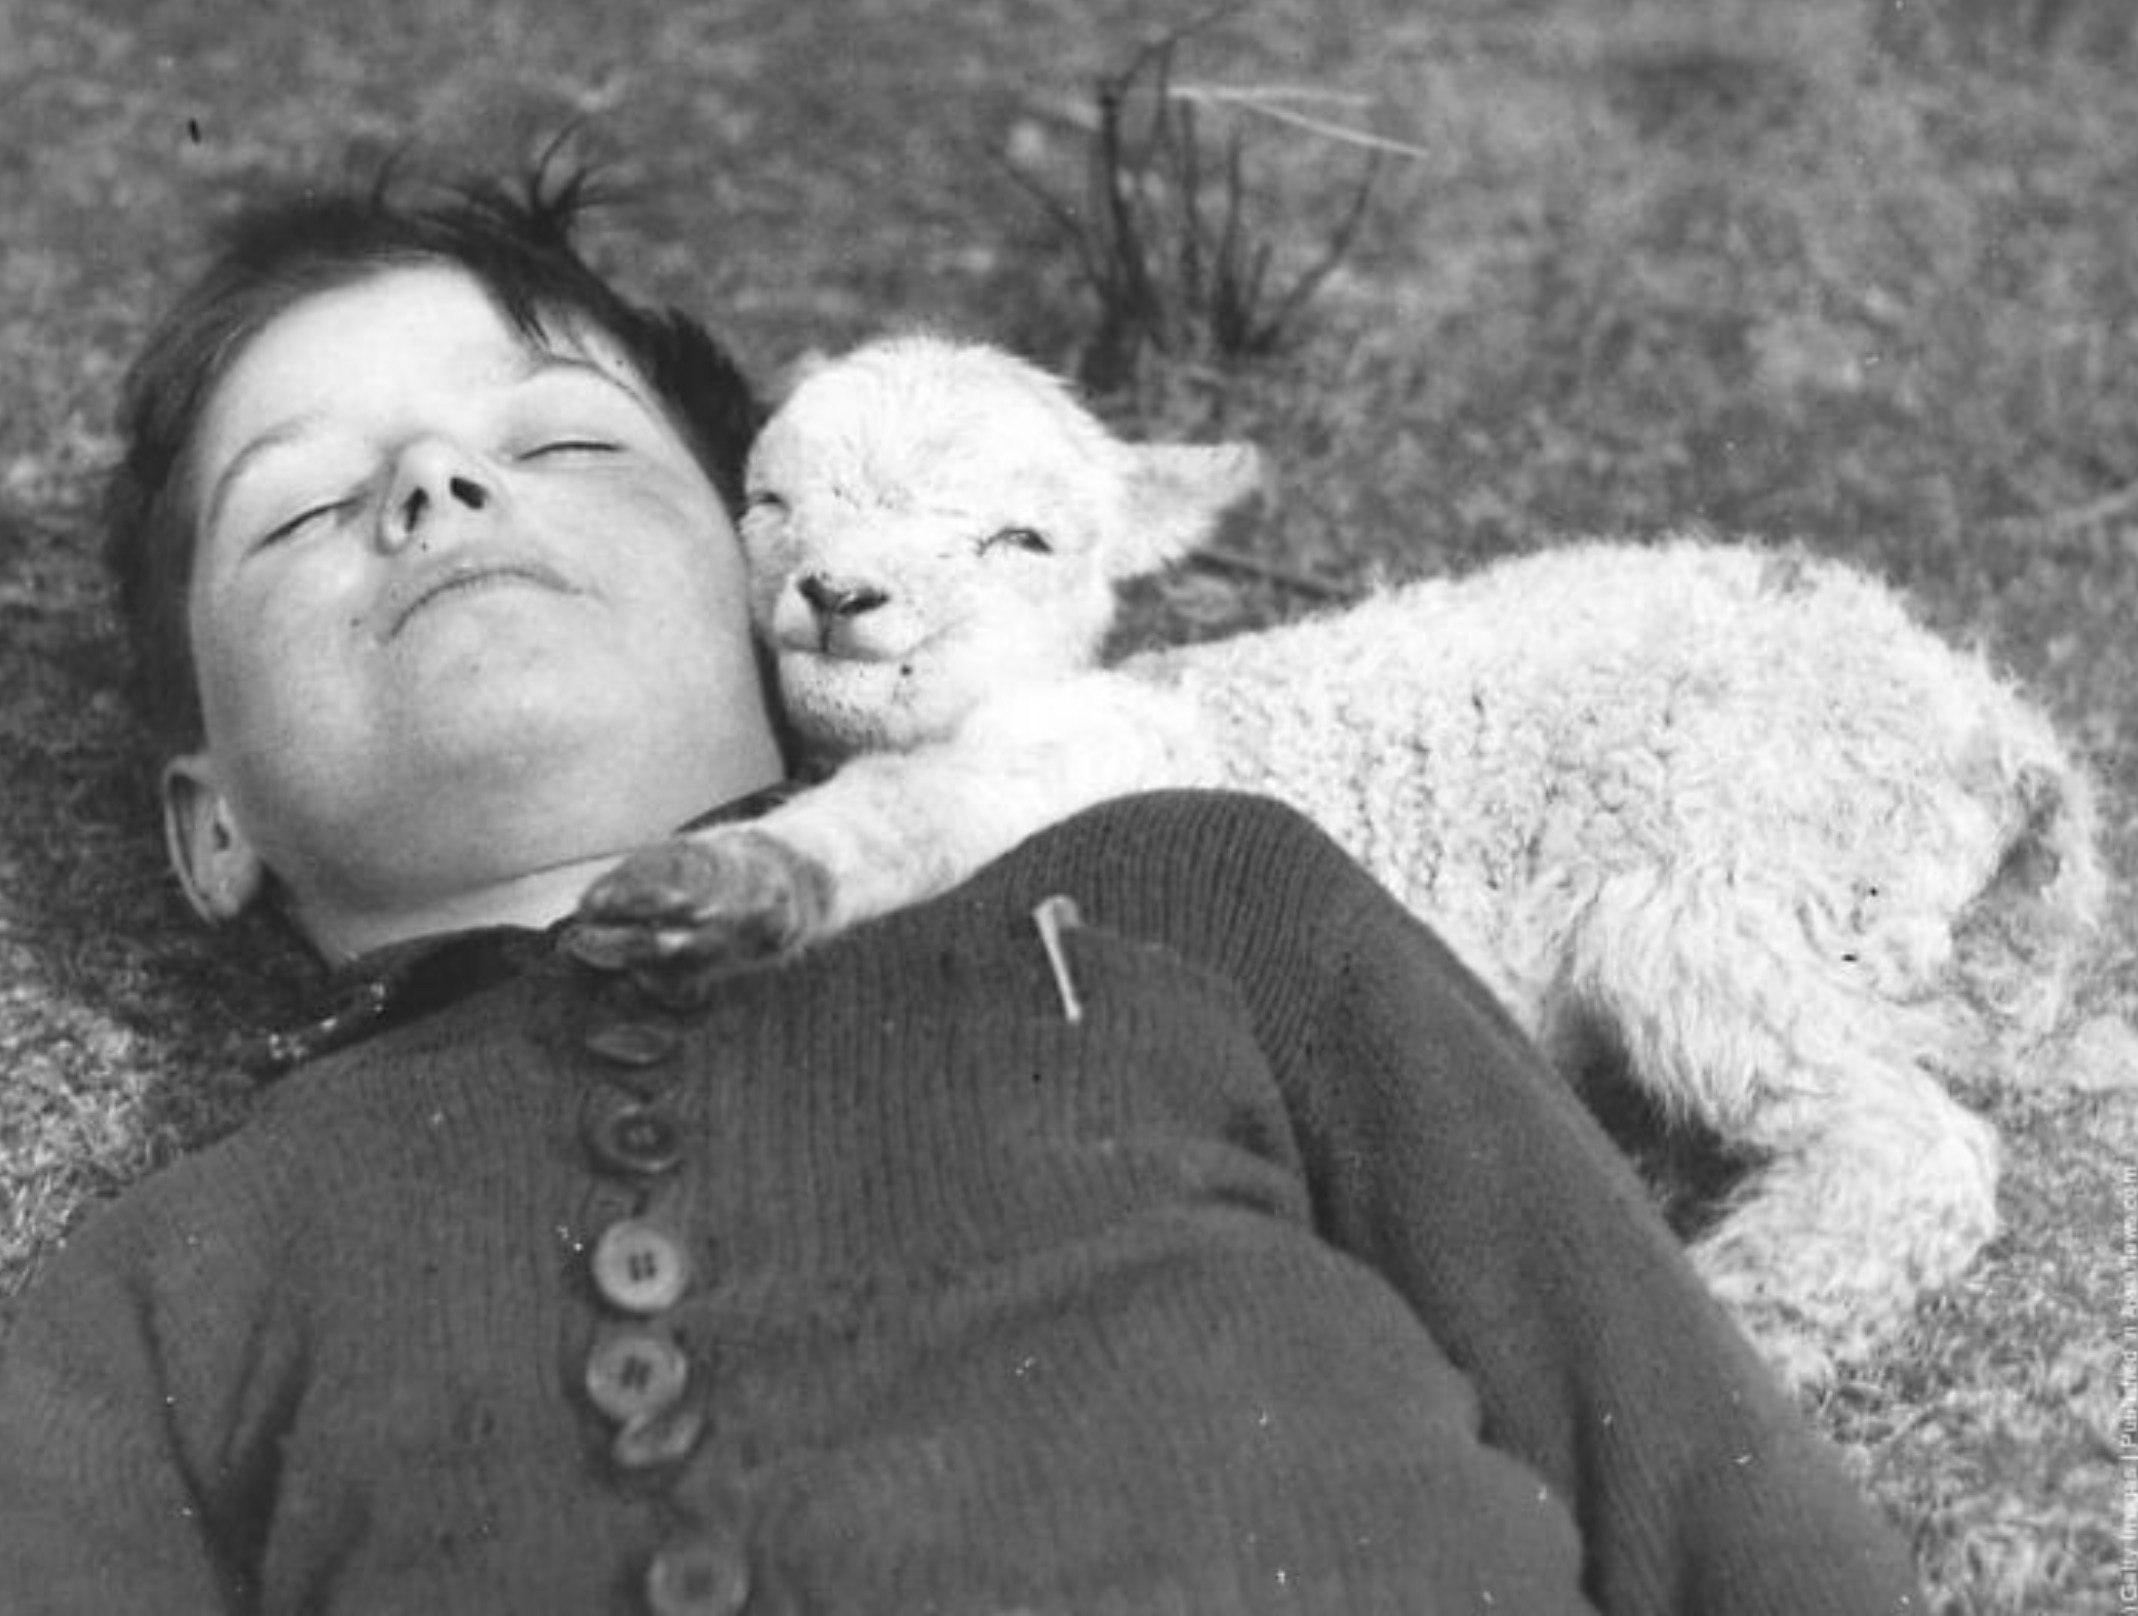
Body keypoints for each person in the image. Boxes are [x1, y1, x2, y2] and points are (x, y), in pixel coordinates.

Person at [0, 162, 1925, 1615]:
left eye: (562, 440)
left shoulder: (1200, 887)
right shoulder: (168, 1286)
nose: (435, 481)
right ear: (207, 821)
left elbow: (1710, 1493)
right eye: (300, 506)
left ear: (770, 586)